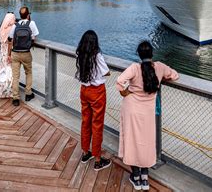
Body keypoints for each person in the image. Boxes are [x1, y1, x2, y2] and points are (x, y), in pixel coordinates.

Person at [116, 41, 179, 190]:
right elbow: (175, 76)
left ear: (138, 54)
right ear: (152, 54)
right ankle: (145, 177)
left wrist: (126, 92)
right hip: (148, 111)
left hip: (131, 108)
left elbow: (119, 81)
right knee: (147, 142)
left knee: (132, 141)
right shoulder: (160, 67)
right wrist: (162, 78)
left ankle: (135, 176)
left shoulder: (135, 68)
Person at [75, 30, 112, 171]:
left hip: (84, 90)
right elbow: (105, 72)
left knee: (86, 121)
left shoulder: (80, 54)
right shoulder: (97, 55)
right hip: (97, 92)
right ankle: (97, 159)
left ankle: (85, 152)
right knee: (97, 124)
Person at [8, 6, 39, 106]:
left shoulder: (15, 25)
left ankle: (15, 98)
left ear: (20, 15)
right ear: (28, 15)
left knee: (15, 76)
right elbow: (35, 36)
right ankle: (28, 93)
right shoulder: (31, 23)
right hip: (26, 52)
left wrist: (9, 54)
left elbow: (10, 39)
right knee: (28, 73)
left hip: (15, 53)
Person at [0, 12, 16, 98]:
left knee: (2, 72)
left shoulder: (2, 29)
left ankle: (0, 91)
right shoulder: (12, 28)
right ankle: (9, 91)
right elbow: (11, 42)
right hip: (8, 53)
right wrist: (10, 55)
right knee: (10, 72)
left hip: (2, 53)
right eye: (13, 18)